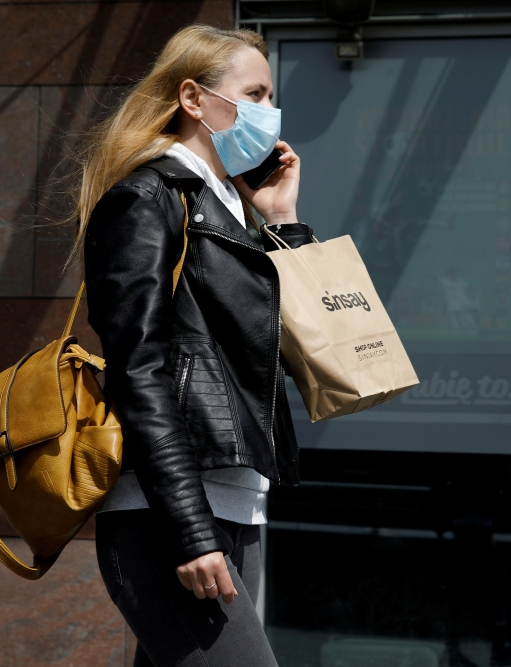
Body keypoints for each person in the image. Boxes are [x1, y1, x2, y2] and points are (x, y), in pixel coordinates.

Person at [72, 24, 312, 667]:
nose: (269, 112)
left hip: (235, 505)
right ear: (194, 98)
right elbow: (139, 369)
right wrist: (187, 528)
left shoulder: (232, 210)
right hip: (169, 514)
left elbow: (306, 349)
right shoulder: (148, 198)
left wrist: (283, 223)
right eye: (254, 94)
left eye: (271, 96)